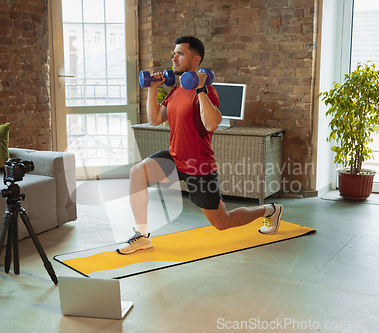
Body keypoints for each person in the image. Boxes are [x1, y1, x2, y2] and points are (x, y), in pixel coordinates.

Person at [116, 36, 283, 254]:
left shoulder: (207, 91)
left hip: (199, 166)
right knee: (137, 172)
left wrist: (201, 89)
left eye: (180, 53)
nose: (174, 58)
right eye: (174, 53)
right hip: (175, 158)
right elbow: (155, 119)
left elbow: (212, 124)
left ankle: (269, 210)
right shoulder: (175, 91)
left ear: (196, 59)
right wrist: (153, 88)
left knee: (223, 222)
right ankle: (142, 235)